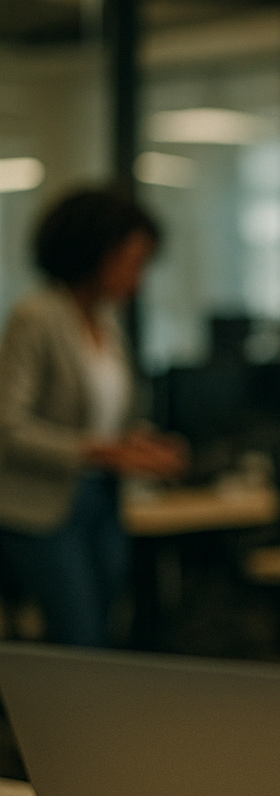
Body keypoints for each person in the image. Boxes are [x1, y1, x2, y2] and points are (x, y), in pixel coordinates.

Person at [0, 187, 187, 647]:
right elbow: (8, 427)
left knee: (106, 633)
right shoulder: (37, 317)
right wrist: (103, 451)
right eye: (132, 261)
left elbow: (111, 421)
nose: (138, 279)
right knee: (78, 638)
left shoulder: (106, 323)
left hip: (103, 501)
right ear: (94, 254)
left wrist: (141, 444)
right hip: (43, 509)